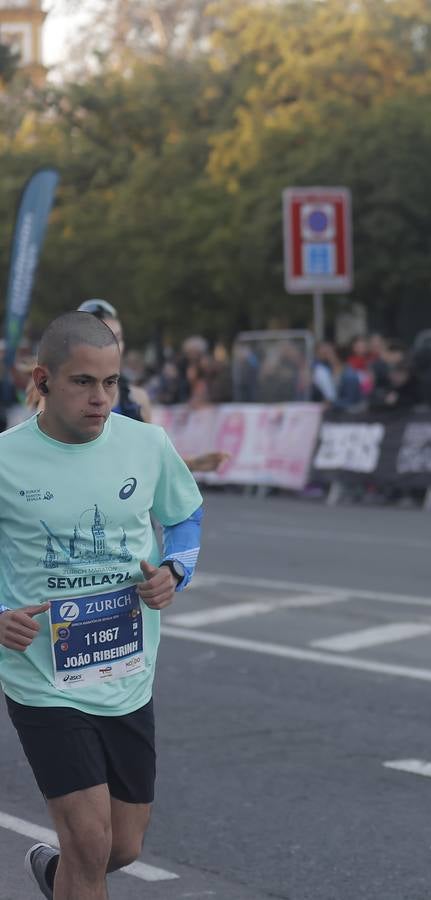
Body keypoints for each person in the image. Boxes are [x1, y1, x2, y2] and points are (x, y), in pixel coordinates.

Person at [0, 312, 204, 900]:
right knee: (89, 844)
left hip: (126, 672)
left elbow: (184, 515)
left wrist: (175, 571)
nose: (100, 399)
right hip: (42, 677)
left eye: (110, 383)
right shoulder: (8, 459)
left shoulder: (146, 444)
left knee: (123, 847)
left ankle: (54, 876)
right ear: (43, 379)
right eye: (83, 383)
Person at [73, 300, 227, 473]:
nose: (114, 345)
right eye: (104, 337)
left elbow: (149, 457)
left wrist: (191, 464)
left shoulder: (136, 399)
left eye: (118, 338)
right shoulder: (64, 395)